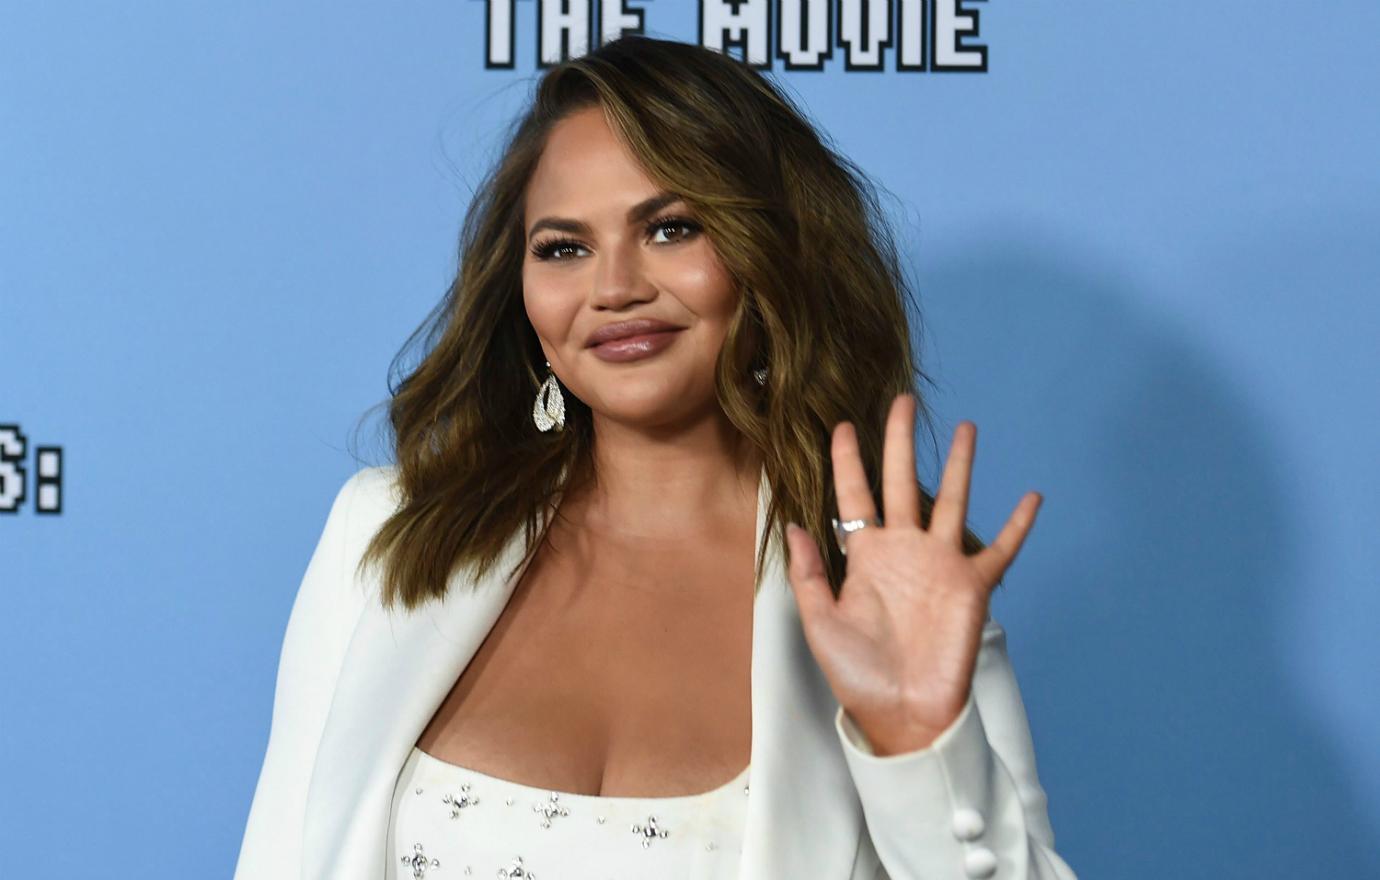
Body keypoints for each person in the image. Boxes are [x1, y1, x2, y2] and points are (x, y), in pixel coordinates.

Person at [233, 34, 1078, 880]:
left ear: (770, 255)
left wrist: (918, 746)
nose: (614, 288)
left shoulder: (889, 598)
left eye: (672, 229)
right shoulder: (384, 537)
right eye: (564, 247)